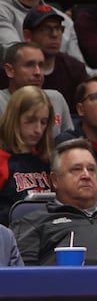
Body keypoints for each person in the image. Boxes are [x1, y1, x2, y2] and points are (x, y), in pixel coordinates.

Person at [11, 140, 97, 264]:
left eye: (91, 169)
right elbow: (21, 276)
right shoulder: (34, 222)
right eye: (76, 169)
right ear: (55, 180)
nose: (86, 175)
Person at [0, 85, 55, 225]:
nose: (38, 129)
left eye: (43, 122)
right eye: (30, 120)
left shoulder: (47, 161)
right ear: (14, 118)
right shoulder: (2, 160)